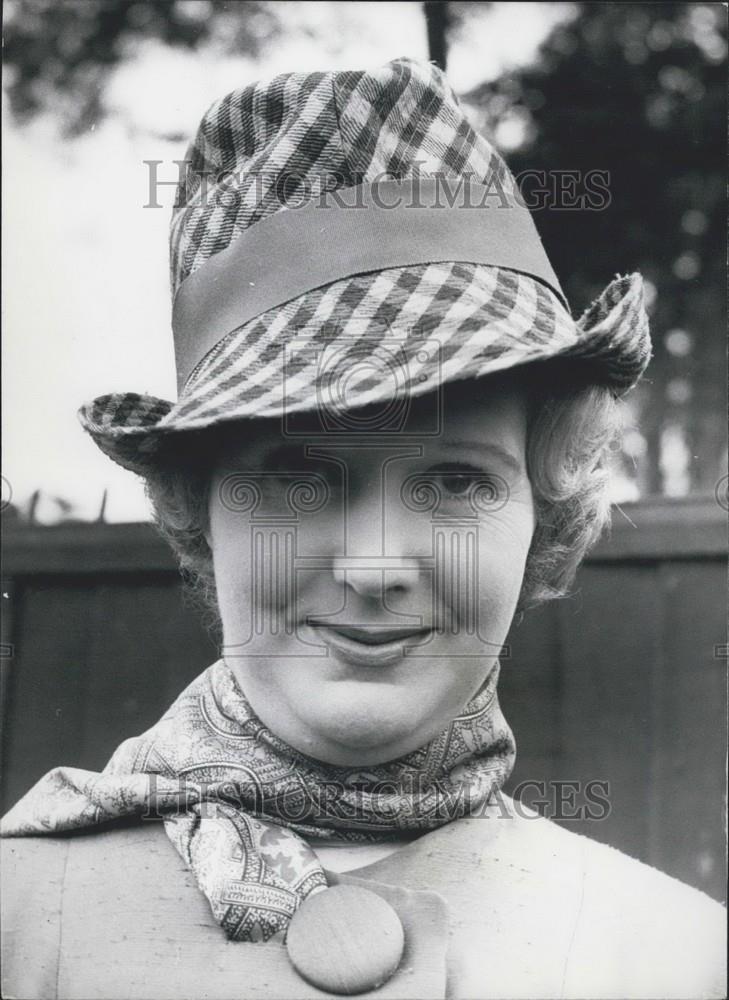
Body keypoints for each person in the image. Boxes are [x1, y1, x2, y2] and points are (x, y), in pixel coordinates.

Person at [1, 58, 724, 1000]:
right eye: (299, 478)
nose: (377, 562)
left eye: (458, 480)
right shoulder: (17, 922)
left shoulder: (674, 960)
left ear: (542, 520)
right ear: (200, 513)